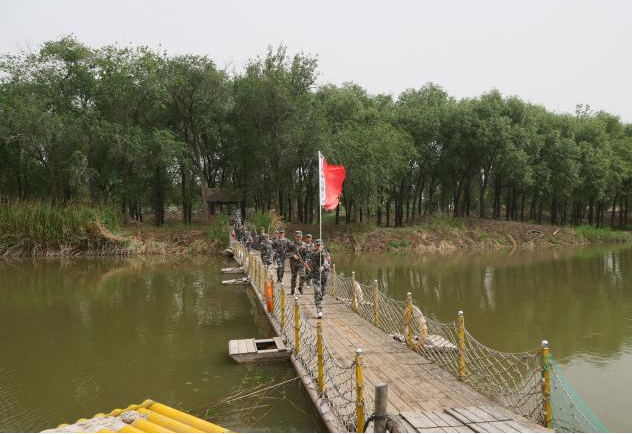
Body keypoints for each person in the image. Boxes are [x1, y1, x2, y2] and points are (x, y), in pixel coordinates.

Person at [306, 239, 331, 319]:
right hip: (315, 275)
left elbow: (327, 262)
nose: (318, 246)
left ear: (322, 245)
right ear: (315, 246)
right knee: (317, 291)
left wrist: (323, 267)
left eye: (320, 245)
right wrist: (318, 253)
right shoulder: (312, 253)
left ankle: (318, 300)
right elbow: (310, 259)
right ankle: (319, 310)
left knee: (323, 292)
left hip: (324, 275)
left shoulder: (326, 253)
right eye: (317, 245)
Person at [288, 230, 307, 296]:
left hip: (302, 263)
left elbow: (307, 254)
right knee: (294, 276)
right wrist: (293, 255)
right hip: (293, 263)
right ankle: (293, 290)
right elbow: (286, 252)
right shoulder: (291, 244)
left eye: (300, 236)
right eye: (297, 236)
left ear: (301, 237)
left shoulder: (304, 245)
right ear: (295, 236)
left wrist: (306, 261)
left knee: (303, 276)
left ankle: (300, 287)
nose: (299, 238)